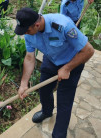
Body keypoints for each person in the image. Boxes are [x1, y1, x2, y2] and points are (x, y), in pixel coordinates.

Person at [14, 7, 94, 138]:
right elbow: (29, 57)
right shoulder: (29, 33)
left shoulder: (63, 25)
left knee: (64, 101)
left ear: (37, 25)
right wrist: (23, 83)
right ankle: (46, 111)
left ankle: (59, 135)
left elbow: (89, 50)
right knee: (44, 90)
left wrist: (67, 68)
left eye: (27, 30)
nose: (26, 34)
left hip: (72, 63)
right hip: (51, 60)